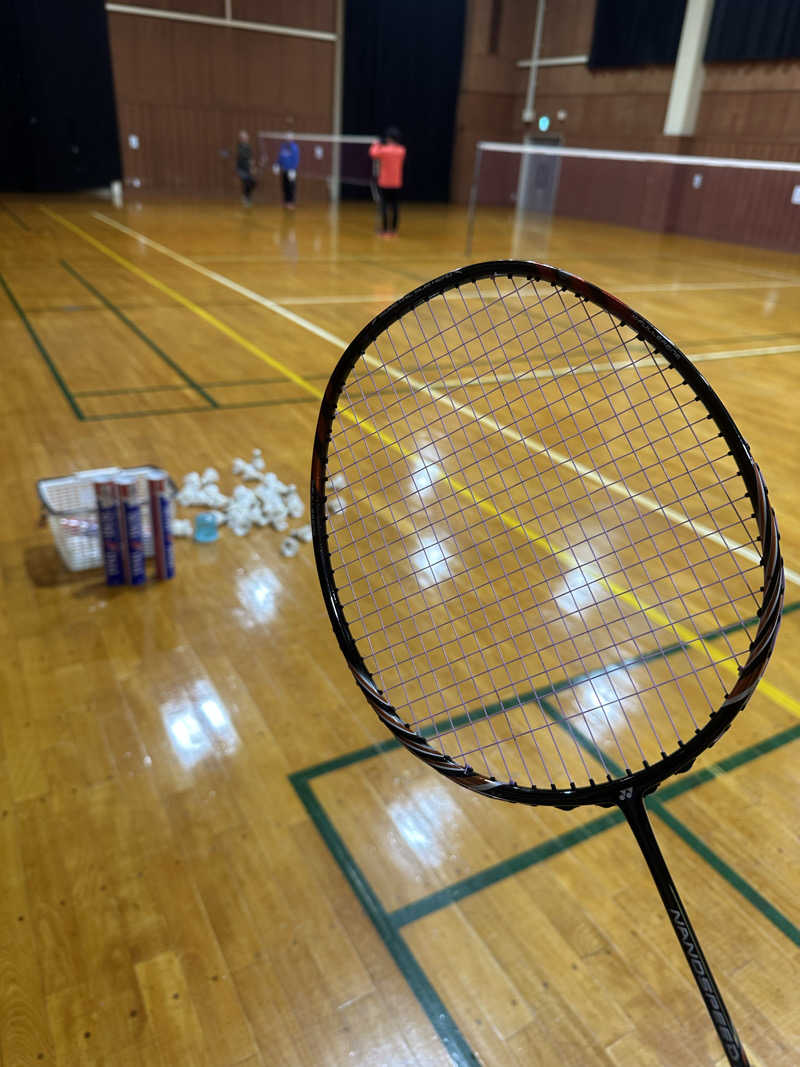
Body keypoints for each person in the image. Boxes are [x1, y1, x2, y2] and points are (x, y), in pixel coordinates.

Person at [369, 127, 406, 237]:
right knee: (395, 207)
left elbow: (372, 153)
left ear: (388, 138)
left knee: (384, 206)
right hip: (396, 183)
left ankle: (384, 231)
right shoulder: (402, 150)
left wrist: (376, 144)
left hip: (384, 183)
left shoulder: (383, 150)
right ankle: (394, 231)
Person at [274, 132, 299, 209]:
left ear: (292, 139)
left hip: (291, 171)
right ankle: (286, 202)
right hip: (284, 170)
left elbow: (295, 159)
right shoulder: (283, 147)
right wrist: (277, 164)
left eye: (289, 138)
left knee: (291, 187)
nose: (288, 140)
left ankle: (291, 203)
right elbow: (280, 157)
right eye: (287, 138)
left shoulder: (294, 147)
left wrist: (293, 169)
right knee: (285, 186)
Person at [236, 130, 256, 206]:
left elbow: (250, 158)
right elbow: (242, 158)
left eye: (246, 138)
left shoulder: (248, 147)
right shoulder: (240, 147)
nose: (245, 139)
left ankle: (247, 196)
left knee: (253, 182)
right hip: (241, 169)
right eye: (243, 138)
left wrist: (252, 167)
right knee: (247, 181)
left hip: (248, 169)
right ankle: (246, 198)